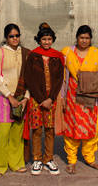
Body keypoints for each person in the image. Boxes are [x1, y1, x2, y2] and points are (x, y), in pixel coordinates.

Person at [60, 25, 98, 174]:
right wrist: (61, 96)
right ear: (77, 38)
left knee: (91, 127)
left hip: (90, 97)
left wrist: (91, 84)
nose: (84, 40)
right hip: (72, 97)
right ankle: (71, 159)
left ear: (90, 39)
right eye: (81, 38)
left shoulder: (97, 54)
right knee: (71, 127)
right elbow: (61, 76)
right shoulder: (67, 53)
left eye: (87, 38)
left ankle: (89, 157)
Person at [23, 23, 64, 175]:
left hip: (51, 100)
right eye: (44, 39)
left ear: (52, 40)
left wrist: (51, 98)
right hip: (36, 100)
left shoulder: (57, 56)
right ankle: (37, 159)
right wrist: (41, 99)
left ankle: (48, 159)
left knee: (49, 129)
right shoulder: (33, 56)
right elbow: (29, 78)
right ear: (39, 40)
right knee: (37, 129)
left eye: (49, 39)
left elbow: (59, 79)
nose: (46, 42)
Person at [0, 23, 30, 178]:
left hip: (21, 97)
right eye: (12, 36)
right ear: (6, 38)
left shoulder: (25, 53)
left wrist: (26, 97)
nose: (15, 39)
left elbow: (30, 78)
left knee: (17, 133)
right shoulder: (0, 52)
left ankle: (16, 162)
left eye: (17, 36)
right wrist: (9, 96)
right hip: (5, 98)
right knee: (3, 133)